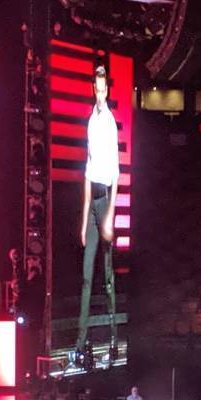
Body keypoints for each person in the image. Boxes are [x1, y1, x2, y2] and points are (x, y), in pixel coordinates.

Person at [75, 61, 120, 366]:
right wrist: (84, 221)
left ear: (107, 91)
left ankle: (114, 337)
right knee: (86, 276)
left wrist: (109, 218)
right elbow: (87, 173)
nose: (100, 94)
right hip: (92, 202)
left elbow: (116, 174)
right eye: (97, 89)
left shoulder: (109, 123)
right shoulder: (91, 120)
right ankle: (80, 341)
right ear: (94, 89)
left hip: (105, 200)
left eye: (104, 89)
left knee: (107, 276)